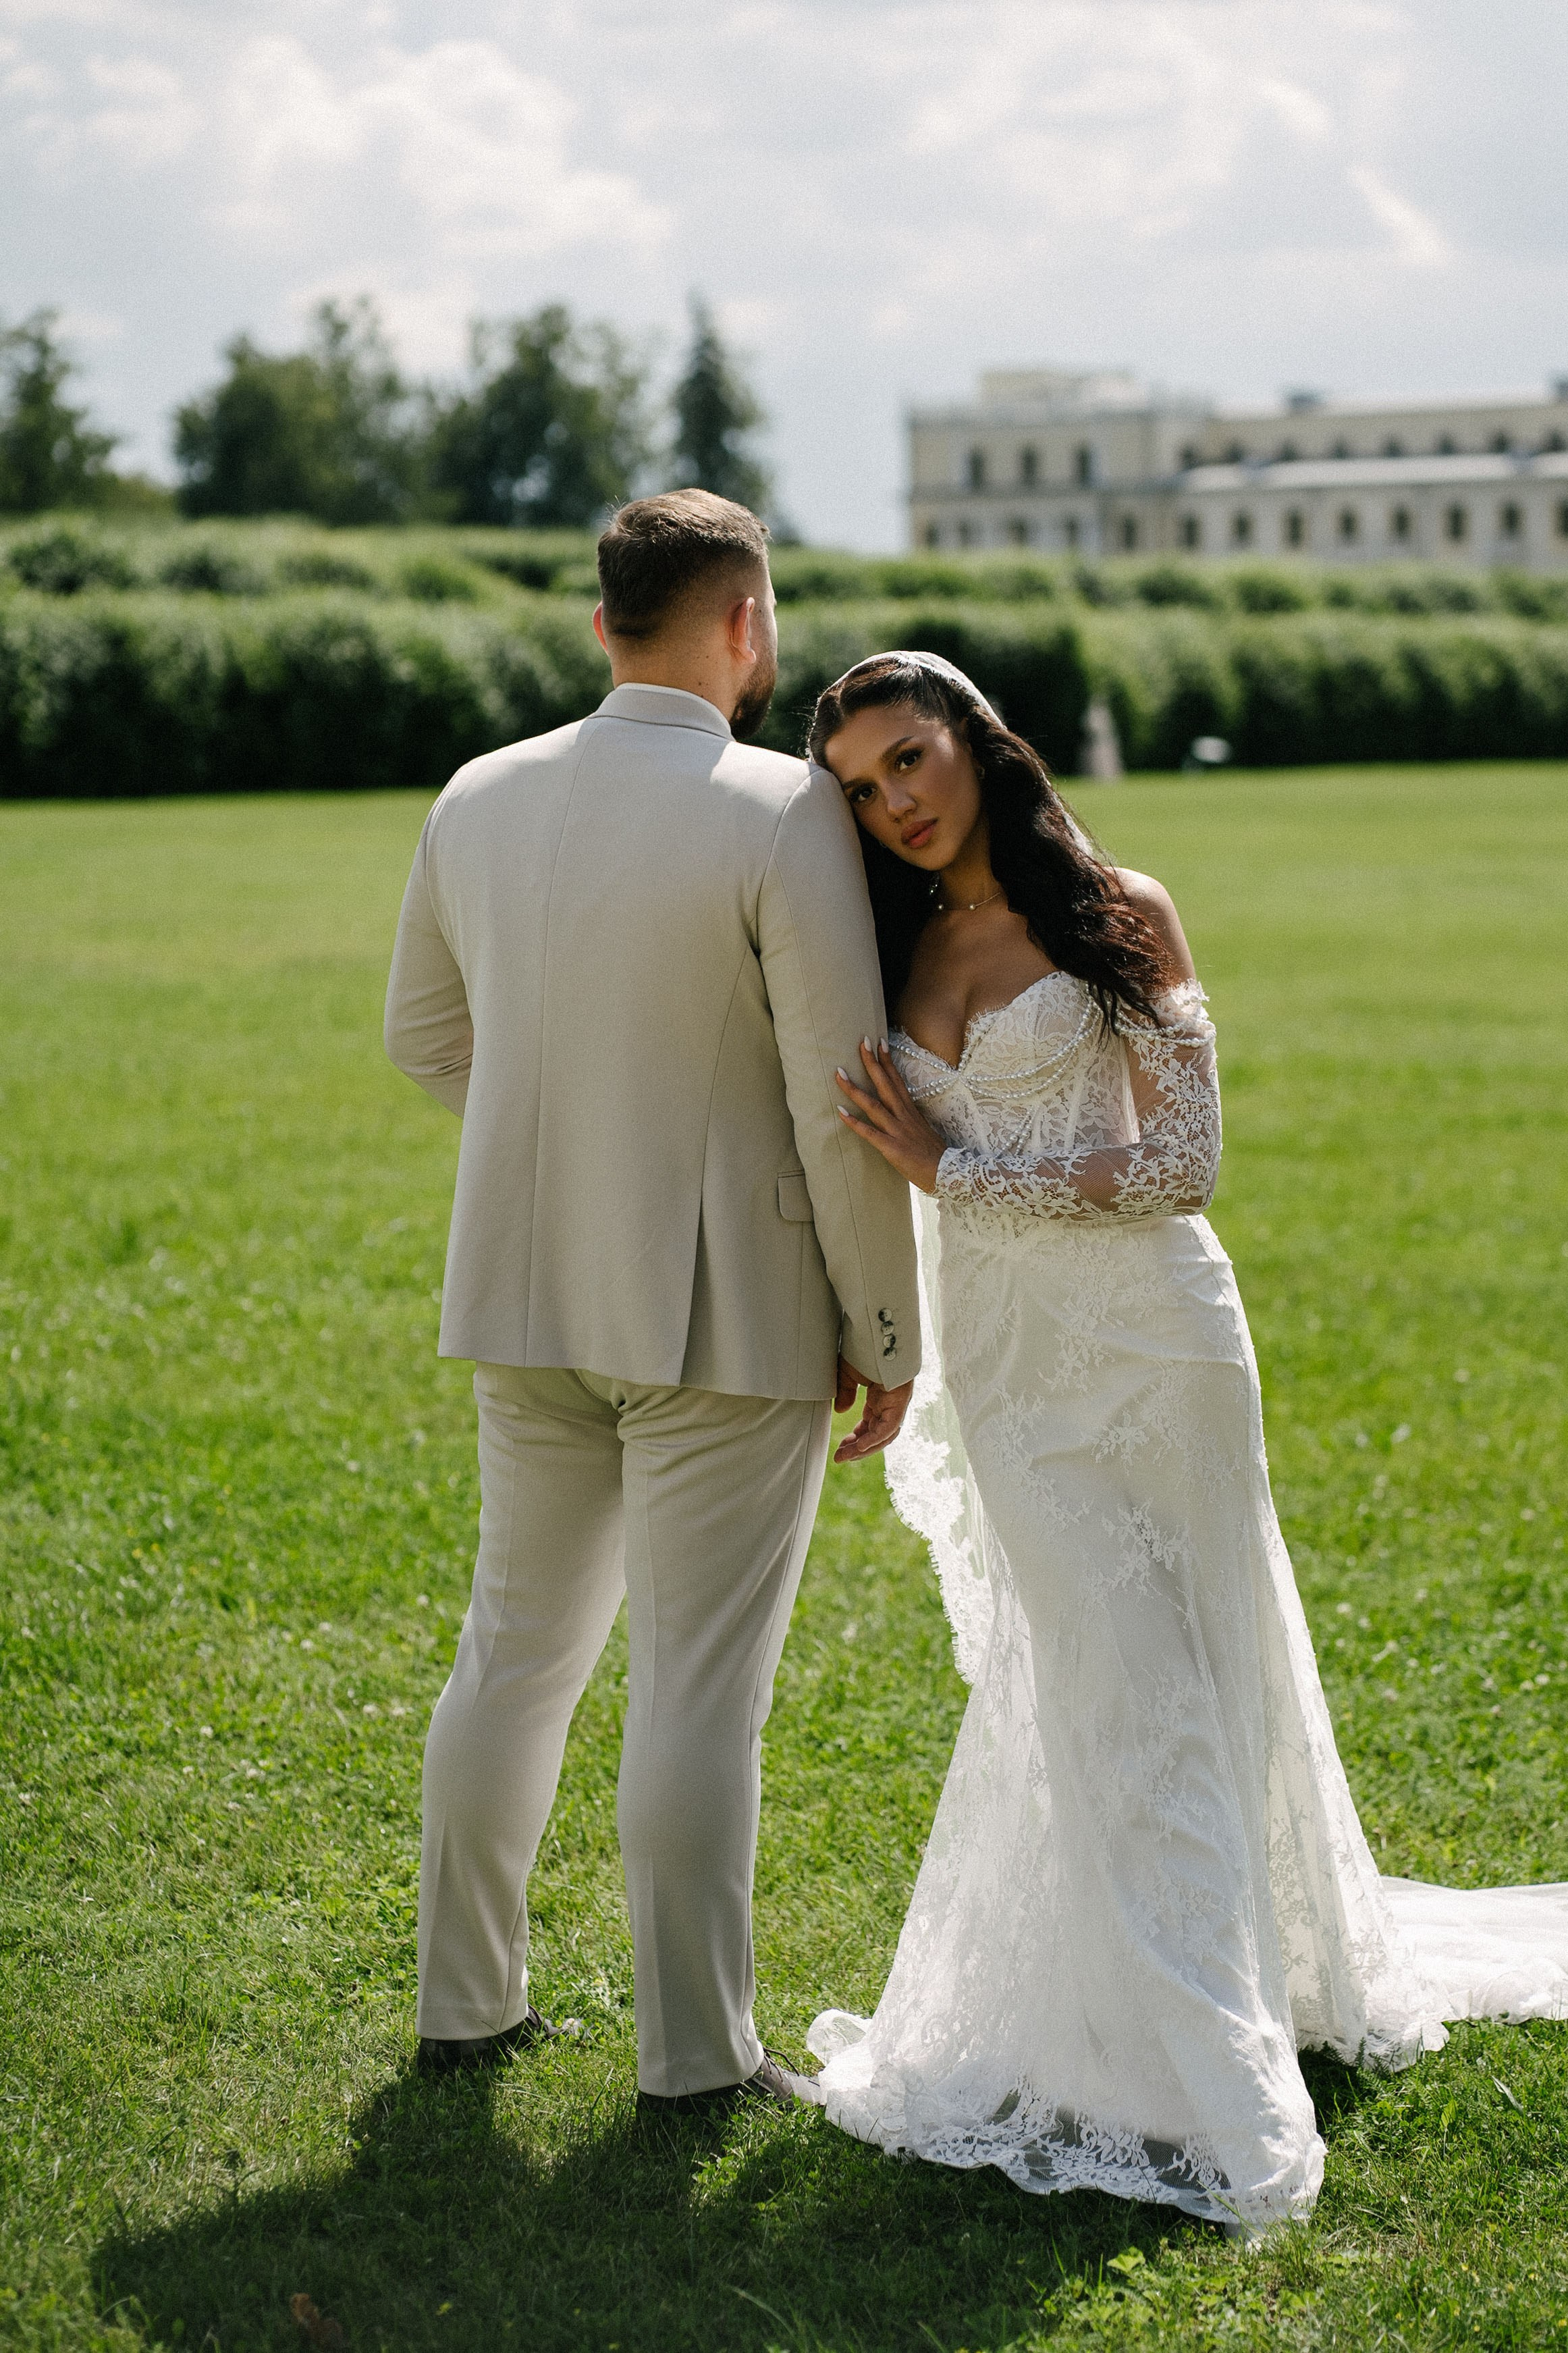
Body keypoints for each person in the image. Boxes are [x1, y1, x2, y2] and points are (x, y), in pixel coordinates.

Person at [802, 650, 1568, 2234]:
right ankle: (1168, 2027)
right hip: (1008, 1374)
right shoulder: (873, 948)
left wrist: (964, 1174)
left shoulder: (1118, 910)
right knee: (1108, 1681)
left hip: (1161, 1345)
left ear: (976, 742)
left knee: (1204, 1663)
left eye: (909, 759)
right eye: (865, 790)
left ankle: (1222, 2048)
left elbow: (1189, 1161)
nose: (897, 804)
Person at [383, 494, 921, 2106]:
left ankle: (464, 2004)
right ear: (744, 622)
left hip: (522, 1292)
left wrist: (575, 1133)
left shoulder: (476, 792)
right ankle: (698, 2056)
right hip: (724, 1312)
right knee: (697, 1684)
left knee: (513, 1654)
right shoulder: (776, 808)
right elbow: (846, 1098)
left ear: (601, 621)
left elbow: (425, 1037)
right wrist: (887, 1336)